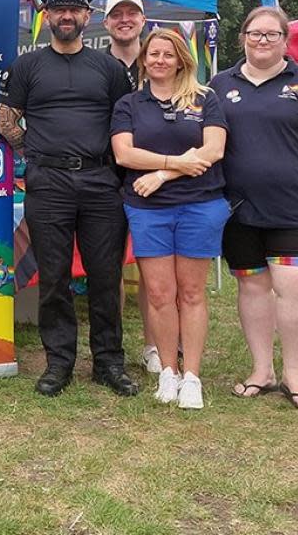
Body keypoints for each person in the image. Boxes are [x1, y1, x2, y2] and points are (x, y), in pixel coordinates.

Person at [0, 0, 138, 399]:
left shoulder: (110, 69)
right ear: (47, 16)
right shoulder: (27, 65)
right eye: (58, 10)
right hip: (49, 182)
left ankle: (108, 362)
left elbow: (126, 122)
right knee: (55, 277)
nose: (66, 16)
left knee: (104, 274)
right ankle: (59, 362)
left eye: (74, 10)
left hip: (101, 182)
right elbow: (6, 120)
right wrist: (37, 152)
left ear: (87, 18)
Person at [209, 7, 298, 410]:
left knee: (296, 288)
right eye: (255, 34)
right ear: (243, 39)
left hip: (297, 208)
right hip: (238, 210)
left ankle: (294, 375)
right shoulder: (219, 84)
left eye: (272, 34)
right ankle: (261, 370)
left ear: (286, 40)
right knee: (252, 287)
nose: (263, 41)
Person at [111, 28, 228, 409]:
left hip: (200, 204)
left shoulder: (205, 99)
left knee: (192, 293)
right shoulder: (129, 103)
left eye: (168, 54)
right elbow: (125, 155)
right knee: (160, 295)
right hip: (148, 210)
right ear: (144, 59)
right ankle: (167, 371)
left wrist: (163, 174)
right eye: (153, 54)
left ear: (181, 59)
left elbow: (213, 149)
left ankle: (192, 375)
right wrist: (175, 162)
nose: (159, 60)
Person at [102, 0, 160, 375]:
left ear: (143, 20)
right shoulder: (92, 64)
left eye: (132, 14)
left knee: (154, 269)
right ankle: (114, 348)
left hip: (154, 179)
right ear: (106, 22)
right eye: (117, 14)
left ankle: (155, 346)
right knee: (108, 271)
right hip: (104, 178)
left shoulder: (161, 62)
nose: (125, 19)